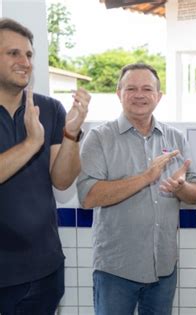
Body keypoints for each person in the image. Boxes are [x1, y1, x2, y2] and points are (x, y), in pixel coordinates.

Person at [76, 63, 196, 315]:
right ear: (118, 93)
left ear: (158, 96)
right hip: (116, 270)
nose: (139, 95)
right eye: (131, 88)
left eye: (147, 88)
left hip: (164, 269)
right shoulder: (99, 138)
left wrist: (181, 188)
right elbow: (88, 196)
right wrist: (146, 177)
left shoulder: (175, 138)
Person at [0, 18, 91, 314]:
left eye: (28, 55)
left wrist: (71, 134)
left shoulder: (49, 109)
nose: (24, 61)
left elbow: (63, 181)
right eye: (13, 53)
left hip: (44, 269)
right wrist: (30, 144)